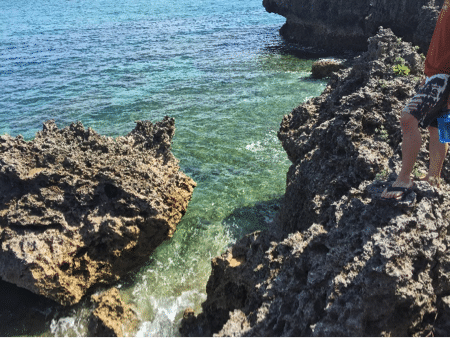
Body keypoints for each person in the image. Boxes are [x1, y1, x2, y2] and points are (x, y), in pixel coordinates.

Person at [380, 1, 450, 200]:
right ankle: (433, 177)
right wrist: (428, 73)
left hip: (444, 77)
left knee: (407, 118)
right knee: (439, 127)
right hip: (436, 73)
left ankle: (404, 179)